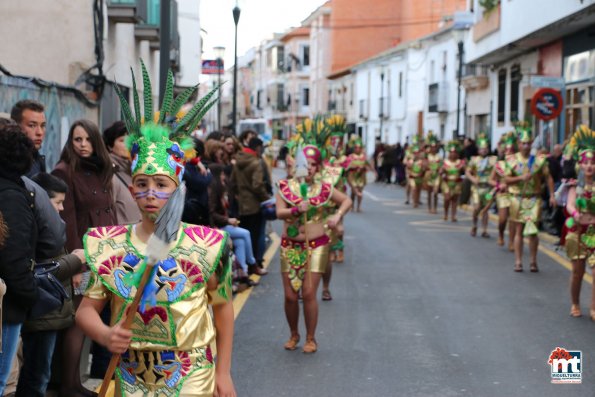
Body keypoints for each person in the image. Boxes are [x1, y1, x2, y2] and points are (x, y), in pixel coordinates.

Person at [76, 65, 236, 395]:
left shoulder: (209, 245)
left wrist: (223, 373)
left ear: (178, 188)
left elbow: (222, 307)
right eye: (142, 183)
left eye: (161, 184)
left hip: (191, 373)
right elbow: (86, 311)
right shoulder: (108, 245)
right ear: (131, 189)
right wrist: (106, 335)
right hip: (130, 375)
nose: (151, 193)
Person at [51, 119, 117, 394]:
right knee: (78, 319)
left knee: (94, 317)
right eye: (77, 140)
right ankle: (69, 384)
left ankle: (73, 382)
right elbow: (68, 222)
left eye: (87, 139)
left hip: (107, 254)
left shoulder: (103, 169)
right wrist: (78, 265)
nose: (83, 145)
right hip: (85, 256)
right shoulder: (65, 171)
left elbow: (109, 211)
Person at [276, 144, 352, 353]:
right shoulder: (284, 186)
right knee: (291, 296)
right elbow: (279, 212)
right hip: (289, 246)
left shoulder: (324, 188)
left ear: (317, 167)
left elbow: (346, 200)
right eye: (304, 164)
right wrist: (295, 209)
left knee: (309, 293)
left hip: (317, 245)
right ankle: (294, 334)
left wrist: (337, 215)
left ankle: (311, 338)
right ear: (295, 166)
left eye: (312, 165)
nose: (307, 168)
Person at [16, 173, 86, 397]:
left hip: (48, 314)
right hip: (42, 316)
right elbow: (45, 270)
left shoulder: (47, 224)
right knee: (37, 377)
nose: (62, 208)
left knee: (39, 374)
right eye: (58, 202)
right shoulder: (38, 227)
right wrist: (76, 260)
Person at [0, 124, 39, 395]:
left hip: (9, 299)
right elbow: (12, 256)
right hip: (7, 304)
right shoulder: (11, 196)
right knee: (2, 381)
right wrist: (30, 294)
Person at [504, 126, 555, 272]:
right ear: (518, 144)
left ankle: (533, 260)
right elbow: (506, 179)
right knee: (519, 230)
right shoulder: (511, 160)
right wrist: (521, 177)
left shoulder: (539, 160)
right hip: (517, 197)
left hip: (534, 198)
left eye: (528, 143)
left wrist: (552, 195)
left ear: (532, 143)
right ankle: (518, 261)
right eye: (523, 143)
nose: (525, 146)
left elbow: (548, 177)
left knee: (533, 231)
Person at [563, 125, 595, 320]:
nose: (590, 165)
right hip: (578, 231)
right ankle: (575, 302)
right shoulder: (576, 185)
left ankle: (593, 307)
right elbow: (569, 204)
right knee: (577, 272)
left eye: (593, 162)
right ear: (580, 165)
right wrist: (574, 212)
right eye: (586, 162)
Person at [231, 137, 271, 275]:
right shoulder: (255, 163)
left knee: (245, 235)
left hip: (242, 205)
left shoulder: (238, 161)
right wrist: (267, 199)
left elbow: (233, 183)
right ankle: (255, 264)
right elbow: (257, 185)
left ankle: (246, 266)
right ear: (258, 148)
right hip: (255, 205)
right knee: (255, 236)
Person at [320, 115, 349, 300]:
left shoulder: (337, 163)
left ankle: (325, 287)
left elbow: (344, 199)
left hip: (331, 202)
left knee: (327, 251)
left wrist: (338, 215)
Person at [103, 121, 142, 224]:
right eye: (122, 140)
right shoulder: (108, 172)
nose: (127, 144)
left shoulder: (134, 171)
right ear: (110, 146)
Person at [489, 132, 518, 248]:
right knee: (502, 219)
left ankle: (511, 241)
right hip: (502, 194)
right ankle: (501, 234)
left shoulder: (519, 164)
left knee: (513, 219)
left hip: (515, 193)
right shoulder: (499, 164)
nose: (508, 152)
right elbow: (490, 180)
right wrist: (498, 185)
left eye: (511, 150)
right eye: (506, 150)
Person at [466, 134, 497, 238]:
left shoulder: (493, 160)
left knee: (485, 209)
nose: (484, 150)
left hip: (488, 189)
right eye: (482, 149)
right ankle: (474, 225)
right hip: (477, 189)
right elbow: (468, 172)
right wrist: (473, 179)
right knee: (477, 207)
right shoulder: (474, 160)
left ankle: (484, 230)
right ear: (478, 150)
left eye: (486, 148)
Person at [11, 99, 47, 177]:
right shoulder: (10, 163)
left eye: (43, 125)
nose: (39, 132)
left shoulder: (36, 158)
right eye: (32, 125)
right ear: (16, 126)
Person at [441, 140, 466, 222]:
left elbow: (467, 171)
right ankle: (445, 213)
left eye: (455, 152)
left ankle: (453, 215)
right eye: (451, 152)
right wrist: (442, 172)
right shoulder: (445, 162)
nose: (453, 154)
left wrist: (466, 168)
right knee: (447, 198)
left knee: (455, 200)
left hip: (457, 183)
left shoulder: (460, 162)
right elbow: (441, 172)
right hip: (447, 182)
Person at [345, 137, 372, 212]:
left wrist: (372, 170)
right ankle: (352, 205)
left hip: (361, 176)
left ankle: (359, 206)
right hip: (353, 175)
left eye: (359, 148)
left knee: (360, 191)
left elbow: (367, 164)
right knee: (354, 191)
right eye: (356, 148)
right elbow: (347, 166)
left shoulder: (363, 156)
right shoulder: (351, 156)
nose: (357, 149)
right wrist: (352, 166)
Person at [424, 132, 442, 214]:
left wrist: (440, 169)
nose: (434, 149)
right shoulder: (427, 156)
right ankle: (429, 207)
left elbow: (441, 165)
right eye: (432, 147)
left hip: (436, 176)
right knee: (429, 193)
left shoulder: (439, 156)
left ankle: (435, 208)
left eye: (435, 147)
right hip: (429, 175)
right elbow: (424, 165)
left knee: (435, 192)